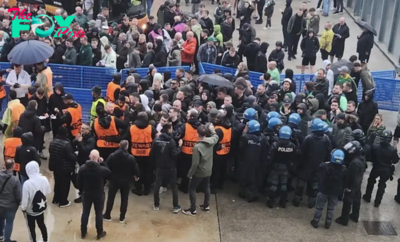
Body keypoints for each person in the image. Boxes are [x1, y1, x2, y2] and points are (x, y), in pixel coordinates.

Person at [293, 118, 332, 208]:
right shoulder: (326, 138)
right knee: (314, 184)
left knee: (301, 183)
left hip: (306, 165)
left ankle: (297, 200)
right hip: (319, 166)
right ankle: (311, 202)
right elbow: (328, 153)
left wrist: (299, 164)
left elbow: (302, 153)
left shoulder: (308, 138)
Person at [182, 123, 219, 216]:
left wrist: (190, 174)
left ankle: (192, 209)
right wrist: (212, 129)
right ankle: (206, 206)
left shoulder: (197, 147)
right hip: (208, 170)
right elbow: (216, 136)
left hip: (199, 172)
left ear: (197, 134)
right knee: (206, 187)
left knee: (192, 189)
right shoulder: (212, 141)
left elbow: (195, 164)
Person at [103, 140, 140, 222]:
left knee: (111, 198)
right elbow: (135, 168)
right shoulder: (131, 158)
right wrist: (137, 176)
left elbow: (106, 166)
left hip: (114, 180)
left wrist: (108, 177)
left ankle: (107, 215)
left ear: (119, 145)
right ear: (127, 147)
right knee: (124, 199)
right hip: (126, 181)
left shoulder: (112, 156)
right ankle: (122, 217)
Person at [310, 149, 347, 229]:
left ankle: (316, 221)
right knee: (331, 208)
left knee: (319, 206)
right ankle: (328, 223)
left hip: (323, 190)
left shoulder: (324, 166)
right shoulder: (344, 169)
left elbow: (318, 171)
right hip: (335, 192)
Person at [78, 149, 110, 239]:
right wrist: (103, 163)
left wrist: (81, 190)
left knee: (85, 212)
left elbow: (79, 182)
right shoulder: (101, 169)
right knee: (99, 213)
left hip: (86, 193)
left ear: (89, 156)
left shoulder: (83, 168)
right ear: (98, 158)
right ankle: (99, 232)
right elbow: (109, 173)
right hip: (98, 194)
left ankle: (83, 232)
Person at [363, 130, 399, 207]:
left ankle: (367, 196)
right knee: (382, 185)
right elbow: (395, 160)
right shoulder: (392, 150)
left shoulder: (375, 147)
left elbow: (370, 157)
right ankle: (377, 202)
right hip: (386, 169)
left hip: (376, 167)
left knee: (371, 181)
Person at [151, 123, 182, 212]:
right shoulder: (171, 142)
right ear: (169, 129)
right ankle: (175, 206)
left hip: (159, 167)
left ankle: (156, 204)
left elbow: (152, 154)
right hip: (171, 167)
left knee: (157, 186)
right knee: (173, 187)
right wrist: (180, 147)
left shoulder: (156, 140)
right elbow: (174, 154)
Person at [266, 126, 297, 208]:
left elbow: (270, 157)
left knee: (273, 185)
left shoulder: (275, 144)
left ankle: (271, 201)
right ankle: (283, 202)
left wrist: (267, 165)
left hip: (275, 167)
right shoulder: (292, 146)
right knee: (284, 185)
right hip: (285, 168)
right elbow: (294, 158)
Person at [336, 141, 365, 226]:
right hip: (358, 183)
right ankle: (355, 216)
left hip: (352, 185)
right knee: (357, 199)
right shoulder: (362, 158)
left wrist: (348, 187)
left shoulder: (354, 163)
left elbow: (351, 176)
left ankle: (344, 219)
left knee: (347, 201)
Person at [238, 120, 268, 202]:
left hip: (246, 162)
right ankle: (251, 196)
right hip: (257, 163)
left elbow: (241, 148)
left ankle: (242, 193)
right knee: (254, 180)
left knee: (244, 177)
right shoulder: (263, 139)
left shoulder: (245, 137)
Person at [21, 161, 51, 242]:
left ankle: (33, 240)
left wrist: (23, 208)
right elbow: (48, 191)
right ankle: (45, 239)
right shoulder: (44, 179)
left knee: (31, 228)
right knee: (42, 225)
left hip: (30, 211)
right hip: (41, 209)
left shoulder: (27, 184)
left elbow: (25, 199)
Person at [49, 126, 77, 207]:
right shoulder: (66, 144)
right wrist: (75, 154)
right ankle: (63, 201)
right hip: (65, 168)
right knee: (64, 185)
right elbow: (71, 157)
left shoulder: (53, 142)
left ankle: (56, 199)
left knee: (57, 183)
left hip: (55, 166)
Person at [0, 159, 22, 242]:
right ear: (13, 166)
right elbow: (18, 194)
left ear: (4, 165)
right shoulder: (15, 180)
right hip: (11, 205)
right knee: (9, 222)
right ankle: (7, 239)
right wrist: (19, 202)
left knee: (1, 219)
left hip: (0, 203)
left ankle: (0, 235)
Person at [211, 113, 232, 193]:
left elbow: (214, 142)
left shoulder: (218, 130)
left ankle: (214, 187)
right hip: (226, 151)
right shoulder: (229, 127)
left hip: (218, 152)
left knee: (216, 170)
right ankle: (220, 185)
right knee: (223, 169)